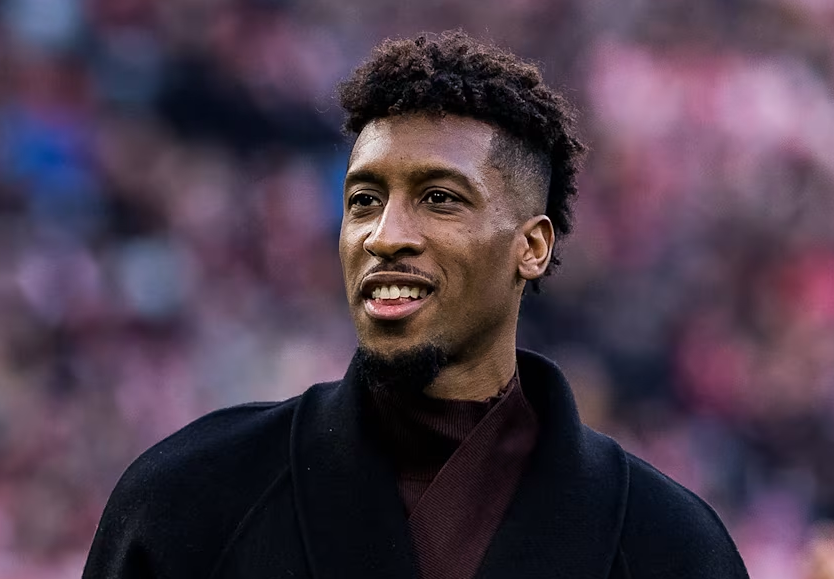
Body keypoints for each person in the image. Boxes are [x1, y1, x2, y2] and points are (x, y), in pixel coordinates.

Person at [83, 31, 749, 579]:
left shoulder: (671, 546)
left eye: (439, 199)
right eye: (364, 200)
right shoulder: (188, 498)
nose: (384, 235)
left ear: (532, 247)